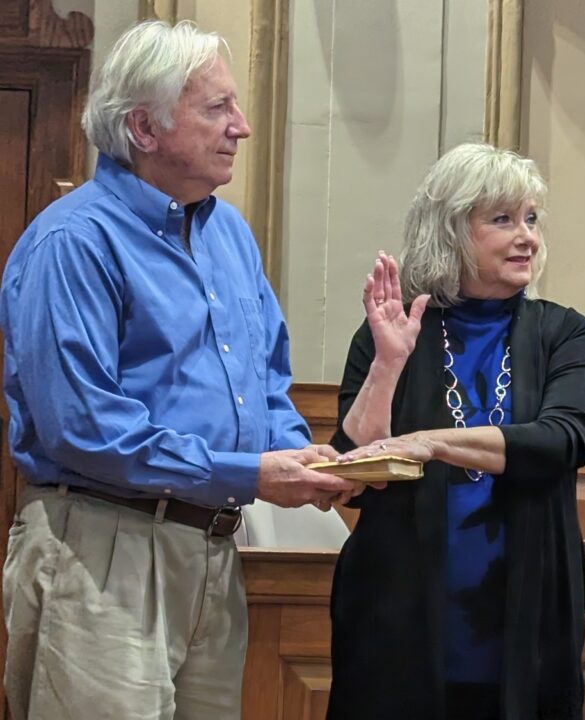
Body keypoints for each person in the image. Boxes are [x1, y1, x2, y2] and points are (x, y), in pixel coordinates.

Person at [0, 20, 357, 719]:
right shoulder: (73, 242)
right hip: (103, 546)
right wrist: (251, 475)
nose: (243, 127)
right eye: (217, 108)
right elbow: (84, 429)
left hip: (213, 550)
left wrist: (296, 454)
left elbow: (265, 381)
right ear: (144, 127)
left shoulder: (228, 234)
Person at [325, 143, 585, 720]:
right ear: (450, 231)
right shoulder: (396, 330)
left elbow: (562, 440)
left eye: (530, 218)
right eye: (502, 220)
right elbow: (352, 468)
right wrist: (387, 365)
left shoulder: (564, 333)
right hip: (397, 609)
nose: (526, 235)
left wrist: (432, 442)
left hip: (525, 609)